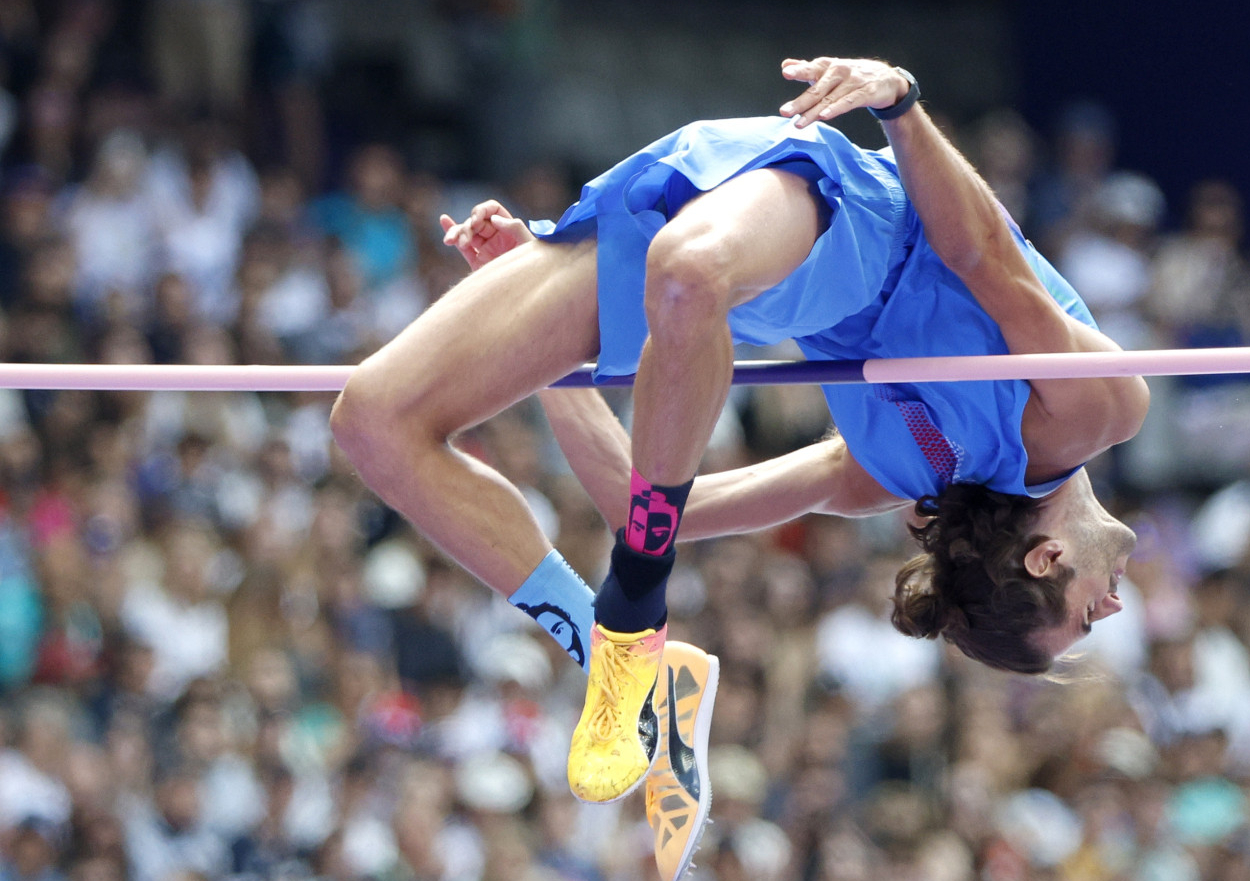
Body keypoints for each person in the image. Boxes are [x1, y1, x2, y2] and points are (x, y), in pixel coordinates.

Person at [330, 57, 1147, 878]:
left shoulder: (885, 476)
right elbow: (982, 257)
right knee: (393, 415)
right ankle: (627, 620)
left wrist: (554, 372)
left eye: (1088, 614)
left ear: (1048, 560)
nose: (1113, 603)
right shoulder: (1096, 411)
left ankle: (620, 636)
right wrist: (899, 103)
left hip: (747, 271)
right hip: (810, 223)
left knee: (392, 418)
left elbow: (641, 494)